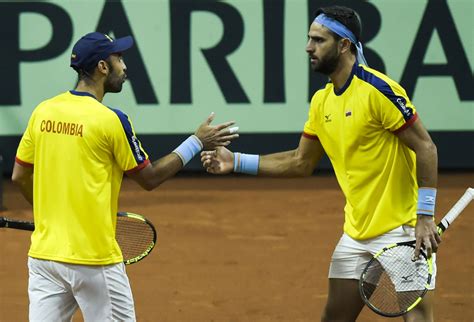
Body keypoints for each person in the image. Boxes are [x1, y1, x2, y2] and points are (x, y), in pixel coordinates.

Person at [201, 6, 440, 322]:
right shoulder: (322, 101)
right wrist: (236, 162)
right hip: (356, 233)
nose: (308, 47)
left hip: (403, 230)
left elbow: (426, 147)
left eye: (318, 40)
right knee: (335, 317)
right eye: (309, 39)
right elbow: (301, 162)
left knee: (417, 317)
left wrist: (425, 216)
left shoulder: (379, 91)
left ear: (344, 45)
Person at [11, 32, 238, 321]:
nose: (125, 66)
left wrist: (50, 217)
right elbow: (150, 178)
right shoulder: (111, 120)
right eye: (119, 58)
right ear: (103, 67)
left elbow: (19, 176)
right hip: (94, 261)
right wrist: (196, 141)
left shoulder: (42, 112)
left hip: (44, 258)